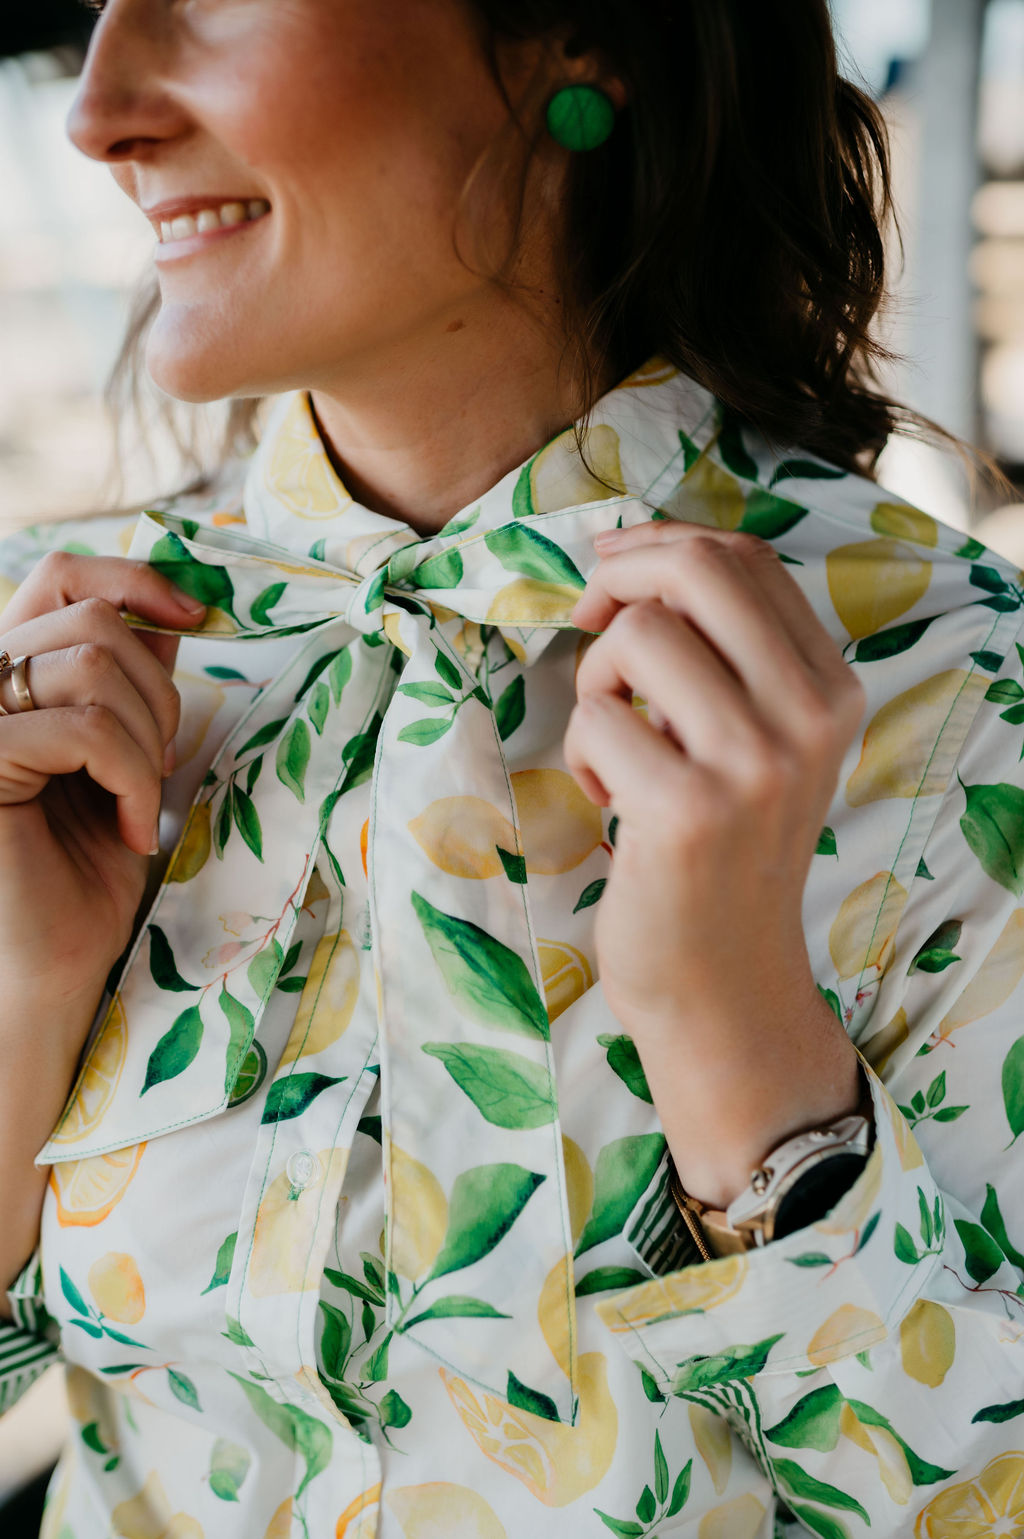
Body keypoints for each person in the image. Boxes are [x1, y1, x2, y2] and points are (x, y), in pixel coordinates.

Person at [1, 2, 1022, 1536]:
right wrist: (19, 1002)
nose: (100, 111)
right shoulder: (59, 670)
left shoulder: (961, 706)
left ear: (579, 31)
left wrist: (742, 1042)